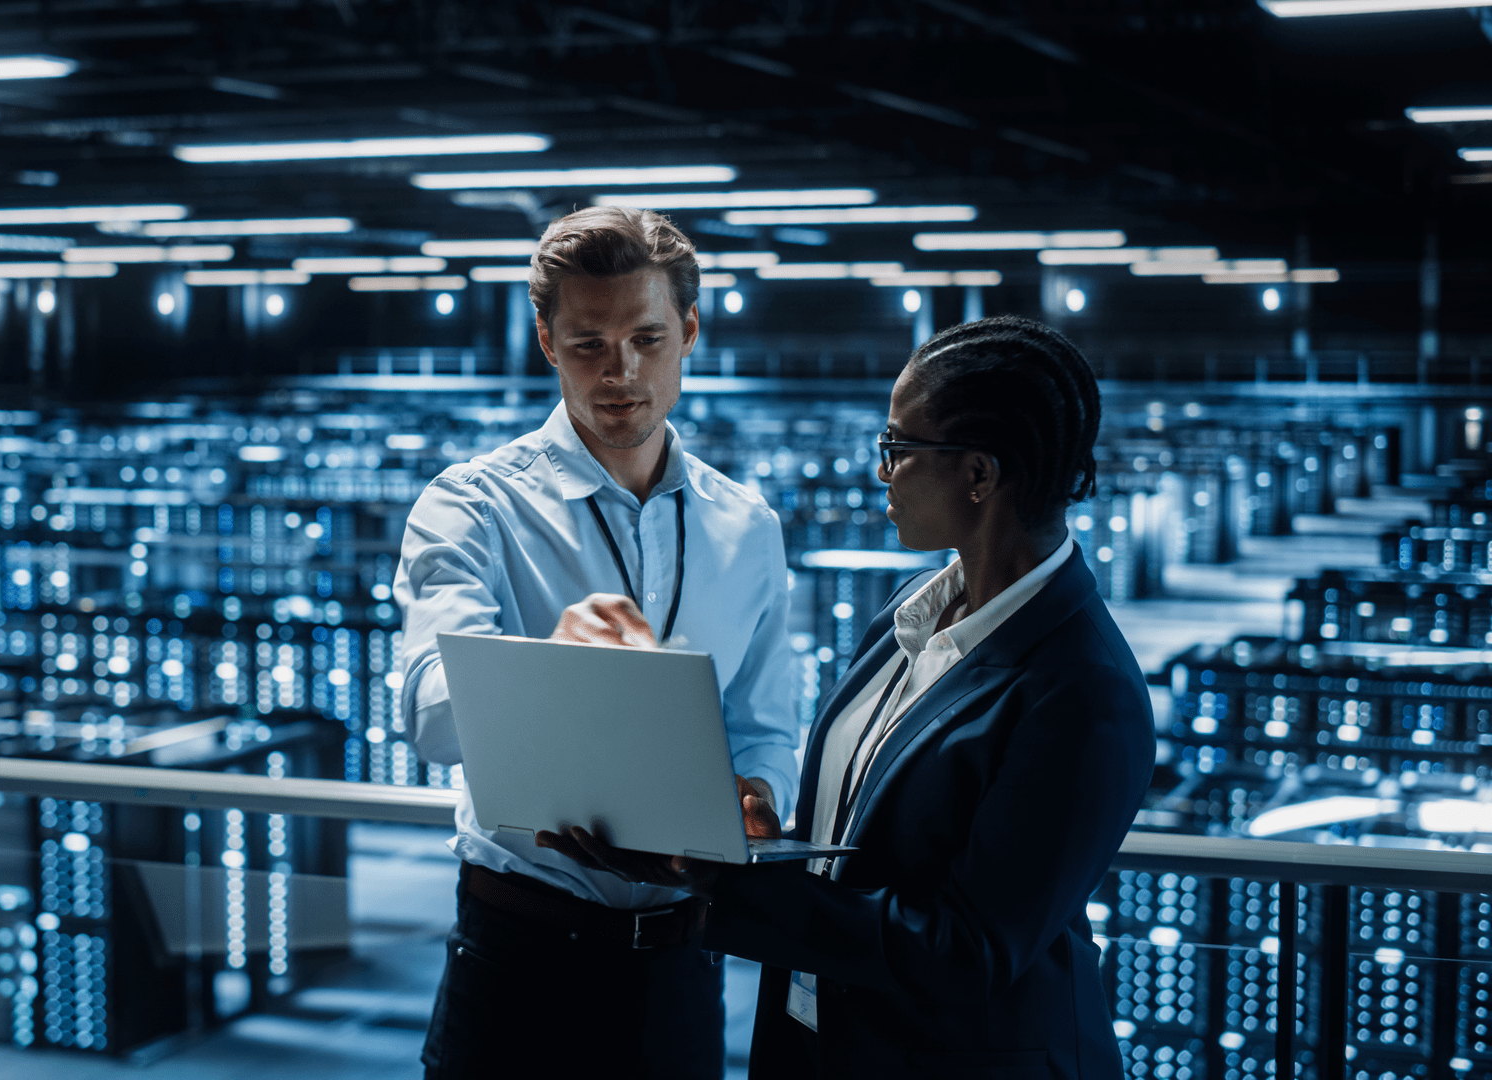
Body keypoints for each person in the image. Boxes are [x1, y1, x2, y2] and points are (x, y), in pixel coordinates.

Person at [543, 316, 1155, 1079]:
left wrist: (725, 886)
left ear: (978, 474)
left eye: (896, 450)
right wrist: (741, 839)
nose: (880, 473)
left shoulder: (1084, 693)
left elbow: (965, 953)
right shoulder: (910, 616)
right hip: (824, 1040)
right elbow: (872, 842)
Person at [394, 205, 800, 1080]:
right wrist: (554, 663)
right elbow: (429, 722)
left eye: (647, 338)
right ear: (546, 341)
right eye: (587, 345)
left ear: (689, 331)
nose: (620, 373)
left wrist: (757, 798)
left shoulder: (748, 526)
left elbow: (767, 722)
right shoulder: (472, 507)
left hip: (681, 965)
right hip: (518, 961)